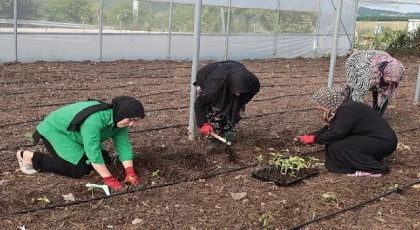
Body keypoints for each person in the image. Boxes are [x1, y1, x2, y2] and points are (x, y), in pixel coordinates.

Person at [16, 96, 145, 191]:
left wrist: (130, 173)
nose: (132, 124)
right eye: (131, 119)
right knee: (79, 169)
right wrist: (109, 179)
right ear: (123, 112)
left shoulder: (120, 121)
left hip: (77, 134)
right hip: (56, 130)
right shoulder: (95, 120)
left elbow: (124, 146)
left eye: (135, 121)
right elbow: (93, 151)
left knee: (105, 161)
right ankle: (30, 157)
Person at [296, 87, 397, 177]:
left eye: (321, 104)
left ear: (329, 102)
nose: (319, 107)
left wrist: (314, 139)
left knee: (340, 147)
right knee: (335, 146)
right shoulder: (344, 108)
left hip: (383, 142)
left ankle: (374, 169)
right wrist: (313, 135)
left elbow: (337, 133)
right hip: (374, 139)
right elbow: (330, 128)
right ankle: (363, 160)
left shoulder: (348, 110)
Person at [193, 60, 260, 142]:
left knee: (234, 114)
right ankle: (214, 139)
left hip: (233, 70)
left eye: (241, 91)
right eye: (236, 91)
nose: (238, 94)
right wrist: (203, 123)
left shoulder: (253, 84)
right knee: (215, 112)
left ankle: (228, 134)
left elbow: (242, 101)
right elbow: (199, 104)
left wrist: (234, 113)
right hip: (208, 77)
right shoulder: (213, 88)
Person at [345, 50, 404, 116]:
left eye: (393, 81)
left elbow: (386, 93)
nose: (391, 83)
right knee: (352, 93)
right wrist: (359, 114)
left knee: (384, 94)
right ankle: (348, 113)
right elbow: (357, 94)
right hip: (358, 64)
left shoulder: (397, 70)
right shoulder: (366, 76)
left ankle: (376, 116)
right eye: (389, 80)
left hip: (381, 66)